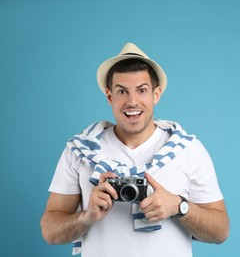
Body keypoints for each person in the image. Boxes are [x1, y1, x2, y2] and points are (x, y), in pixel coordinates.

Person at [40, 43, 229, 257]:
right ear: (109, 96)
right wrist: (86, 216)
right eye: (122, 91)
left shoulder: (188, 149)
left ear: (156, 94)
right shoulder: (80, 150)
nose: (132, 102)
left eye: (142, 90)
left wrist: (179, 206)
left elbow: (220, 231)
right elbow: (49, 231)